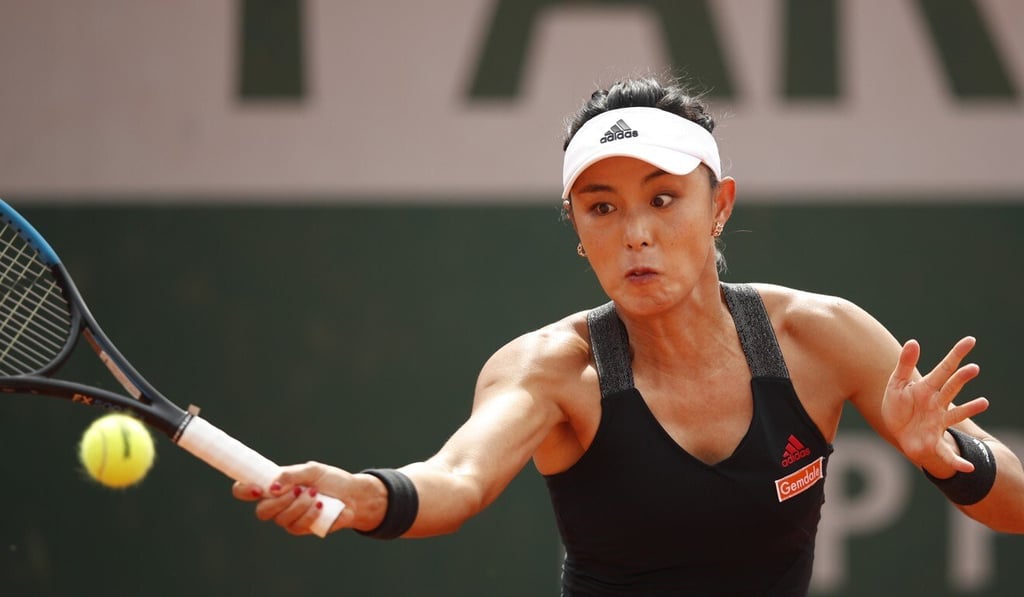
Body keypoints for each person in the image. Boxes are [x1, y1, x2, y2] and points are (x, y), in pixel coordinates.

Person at [232, 76, 1024, 595]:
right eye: (602, 207)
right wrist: (366, 493)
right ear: (577, 227)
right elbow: (458, 479)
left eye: (664, 198)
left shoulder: (821, 337)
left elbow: (1015, 506)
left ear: (720, 206)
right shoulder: (551, 371)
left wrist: (952, 462)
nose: (635, 233)